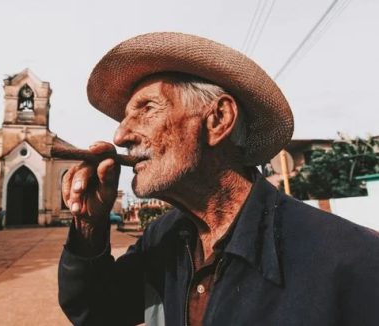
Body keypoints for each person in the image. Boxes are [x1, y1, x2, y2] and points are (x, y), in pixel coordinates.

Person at [58, 32, 379, 326]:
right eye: (125, 118)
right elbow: (97, 313)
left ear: (218, 119)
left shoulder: (354, 260)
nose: (121, 135)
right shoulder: (165, 237)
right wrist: (88, 225)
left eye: (146, 109)